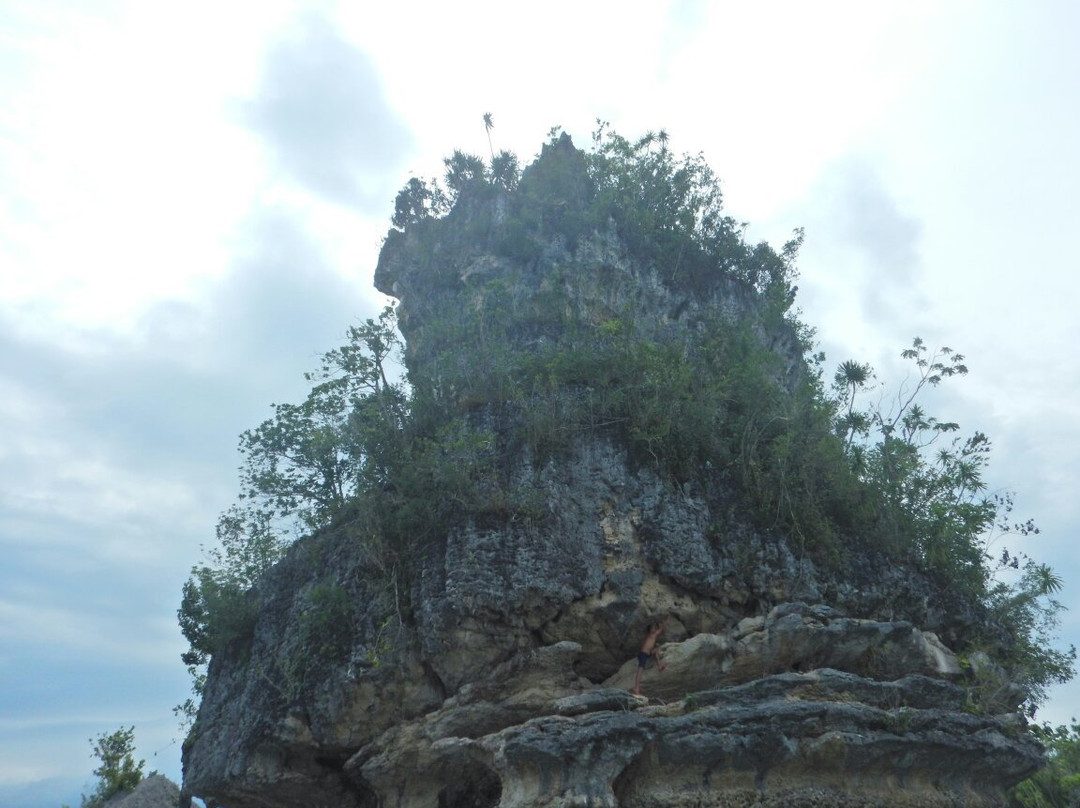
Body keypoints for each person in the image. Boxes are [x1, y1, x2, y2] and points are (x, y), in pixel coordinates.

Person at [632, 617, 669, 695]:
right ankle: (636, 688)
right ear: (650, 631)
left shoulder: (651, 636)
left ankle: (659, 666)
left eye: (655, 628)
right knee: (640, 670)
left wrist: (660, 624)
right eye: (653, 628)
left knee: (656, 650)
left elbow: (660, 629)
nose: (654, 629)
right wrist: (665, 621)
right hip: (643, 654)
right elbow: (661, 629)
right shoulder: (652, 635)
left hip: (648, 653)